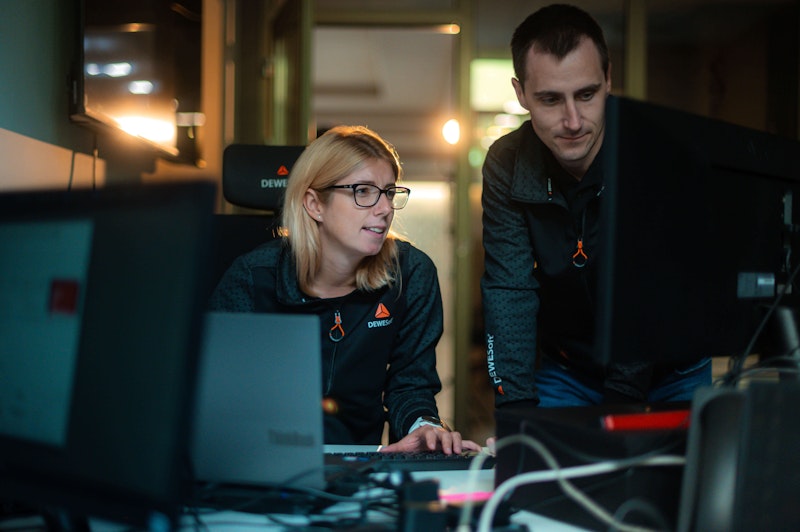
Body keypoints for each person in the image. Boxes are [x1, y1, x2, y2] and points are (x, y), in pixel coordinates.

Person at [481, 4, 711, 410]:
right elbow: (509, 288)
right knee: (541, 465)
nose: (573, 121)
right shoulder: (507, 162)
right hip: (570, 371)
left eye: (586, 95)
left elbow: (649, 286)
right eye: (550, 99)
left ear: (608, 79)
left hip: (673, 369)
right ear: (520, 94)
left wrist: (619, 403)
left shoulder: (655, 154)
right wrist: (514, 406)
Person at [210, 125, 480, 454]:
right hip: (266, 460)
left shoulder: (410, 274)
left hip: (363, 466)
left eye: (389, 192)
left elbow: (410, 385)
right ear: (314, 204)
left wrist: (423, 426)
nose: (384, 208)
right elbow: (221, 399)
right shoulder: (252, 278)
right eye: (363, 191)